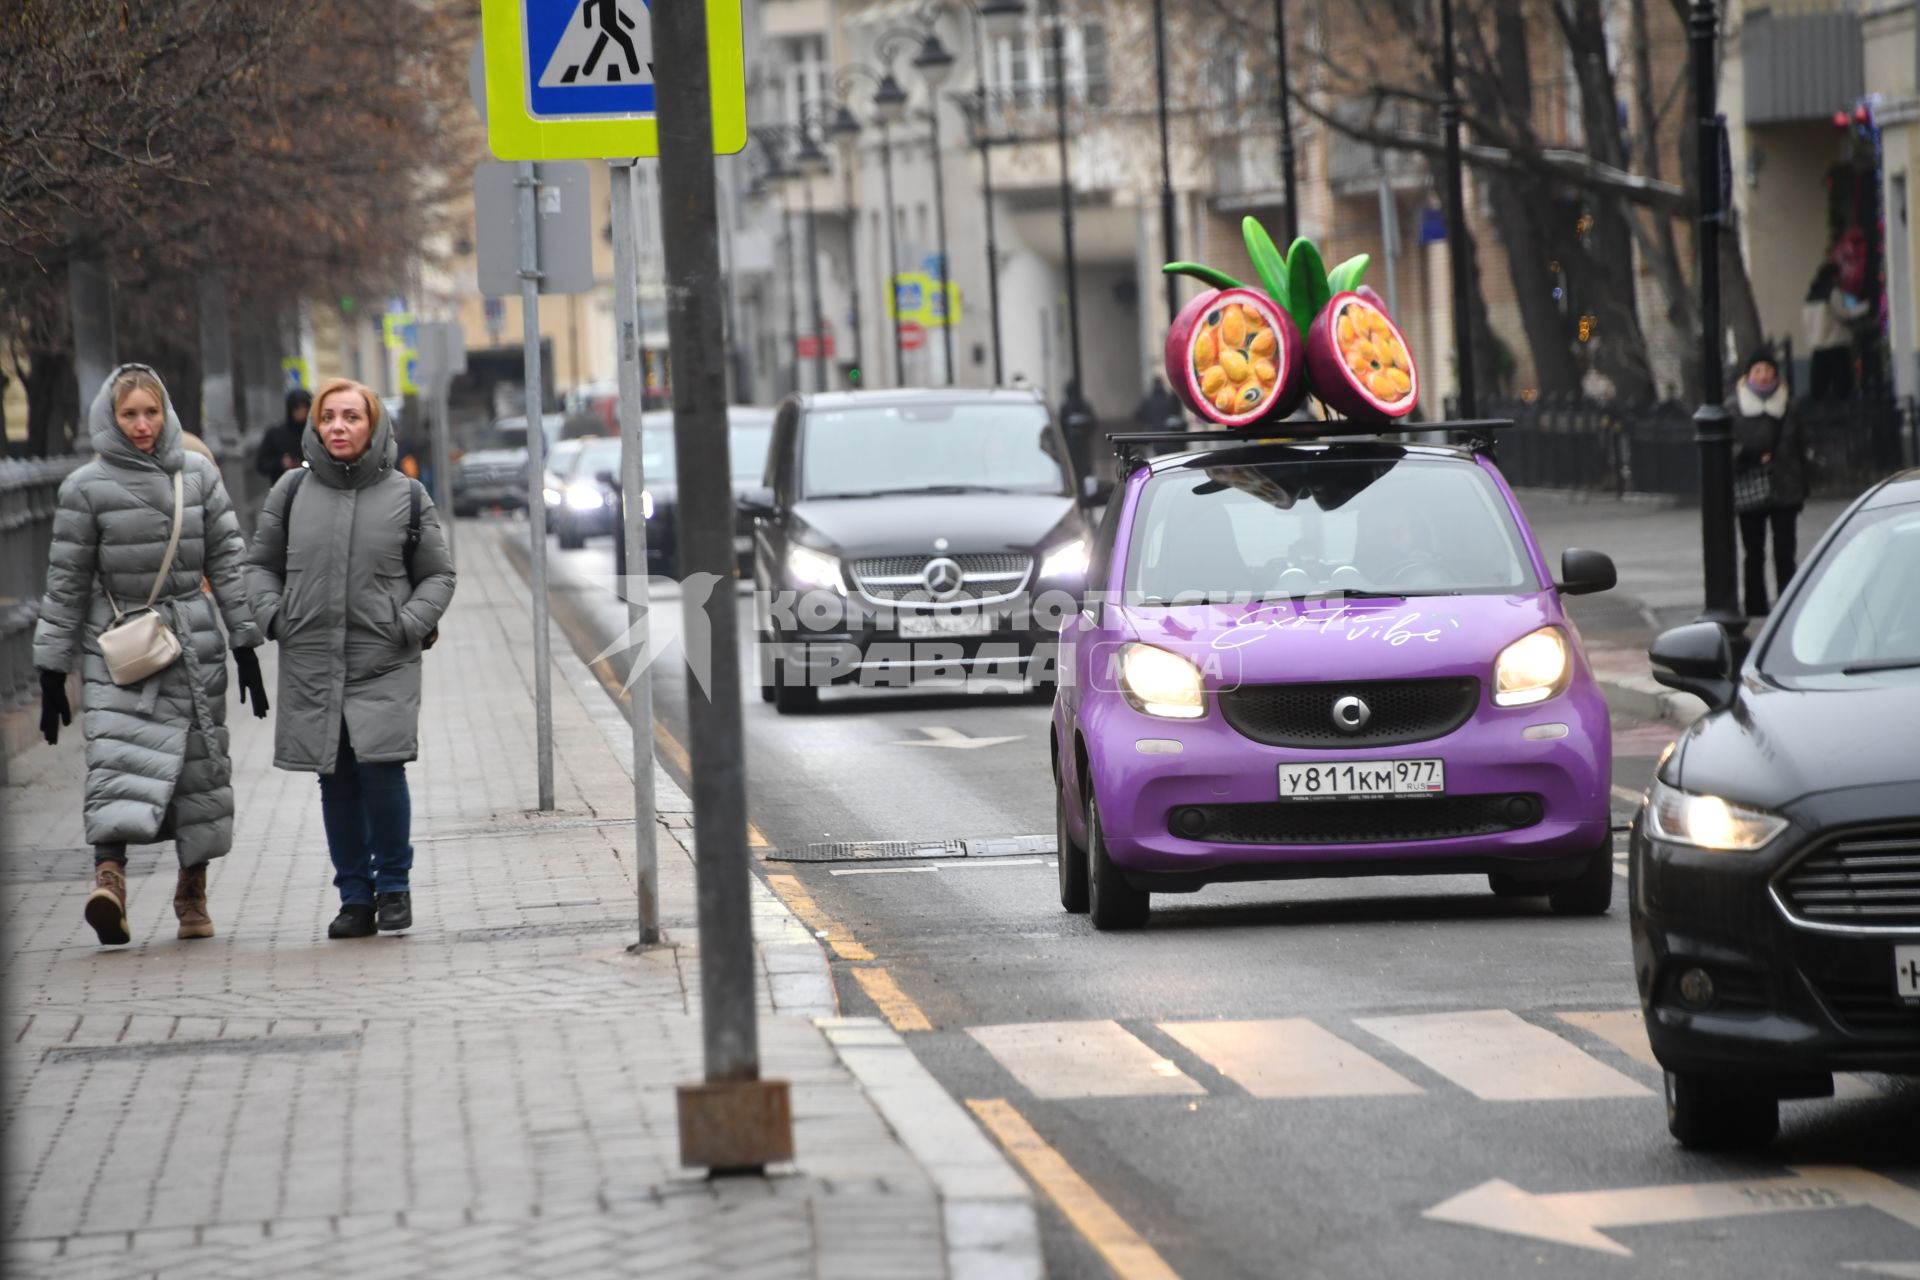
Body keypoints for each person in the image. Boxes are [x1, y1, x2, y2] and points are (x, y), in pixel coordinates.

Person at [34, 365, 270, 946]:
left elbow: (229, 563)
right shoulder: (85, 488)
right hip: (118, 646)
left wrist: (246, 645)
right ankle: (109, 880)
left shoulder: (199, 477)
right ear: (109, 419)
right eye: (129, 414)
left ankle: (192, 893)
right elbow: (66, 582)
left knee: (201, 771)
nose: (142, 425)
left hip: (193, 644)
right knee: (113, 762)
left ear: (167, 413)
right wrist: (49, 670)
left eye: (151, 412)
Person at [247, 378, 456, 939]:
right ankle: (354, 897)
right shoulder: (291, 493)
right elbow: (258, 565)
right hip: (312, 658)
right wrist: (272, 615)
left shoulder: (407, 495)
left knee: (383, 769)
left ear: (373, 425)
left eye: (351, 417)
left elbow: (438, 574)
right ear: (314, 425)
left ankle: (393, 888)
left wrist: (409, 624)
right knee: (334, 778)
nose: (338, 427)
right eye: (328, 417)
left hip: (382, 657)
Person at [1730, 349, 1809, 617]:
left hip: (1785, 486)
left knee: (1785, 549)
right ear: (1749, 375)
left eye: (1768, 370)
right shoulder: (1735, 406)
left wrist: (1803, 487)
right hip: (1750, 487)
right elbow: (1728, 448)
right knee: (1754, 552)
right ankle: (1756, 606)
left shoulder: (1790, 405)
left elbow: (1800, 447)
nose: (1763, 376)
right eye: (1758, 370)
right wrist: (1749, 456)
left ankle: (1788, 603)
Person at [1802, 262, 1869, 401]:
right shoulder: (1833, 293)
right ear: (1833, 276)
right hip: (1836, 345)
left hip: (1817, 348)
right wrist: (1866, 307)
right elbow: (1845, 314)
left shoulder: (1810, 296)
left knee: (1819, 388)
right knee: (1842, 386)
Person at [254, 387, 312, 485]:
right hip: (283, 488)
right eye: (298, 408)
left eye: (305, 408)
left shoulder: (315, 433)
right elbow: (261, 464)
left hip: (311, 487)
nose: (302, 412)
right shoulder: (275, 434)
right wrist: (281, 463)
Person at [1059, 380, 1096, 487]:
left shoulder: (1075, 406)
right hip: (1077, 445)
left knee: (1079, 470)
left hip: (1078, 445)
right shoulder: (1070, 407)